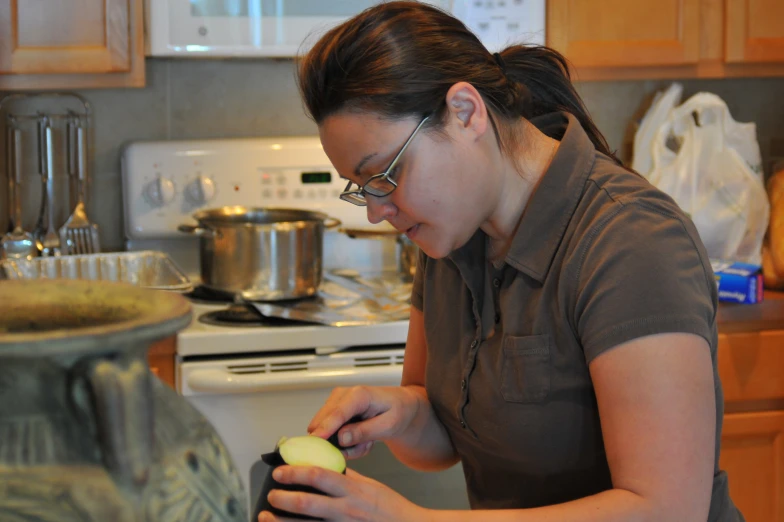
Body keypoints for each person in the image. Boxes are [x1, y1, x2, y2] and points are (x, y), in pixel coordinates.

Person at [258, 2, 743, 521]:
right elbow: (445, 437)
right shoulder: (450, 235)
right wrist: (400, 414)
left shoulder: (632, 242)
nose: (378, 212)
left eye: (385, 175)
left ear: (466, 113)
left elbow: (667, 510)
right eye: (363, 190)